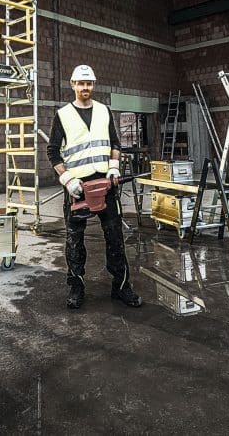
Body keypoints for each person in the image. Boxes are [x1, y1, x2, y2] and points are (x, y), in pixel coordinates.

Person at [47, 64, 142, 310]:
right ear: (73, 85)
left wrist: (113, 168)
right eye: (80, 83)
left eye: (88, 83)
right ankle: (76, 286)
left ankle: (121, 287)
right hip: (78, 188)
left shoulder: (103, 111)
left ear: (93, 85)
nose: (85, 87)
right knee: (74, 240)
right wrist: (67, 179)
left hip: (106, 184)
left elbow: (115, 144)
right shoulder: (63, 115)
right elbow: (53, 151)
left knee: (115, 238)